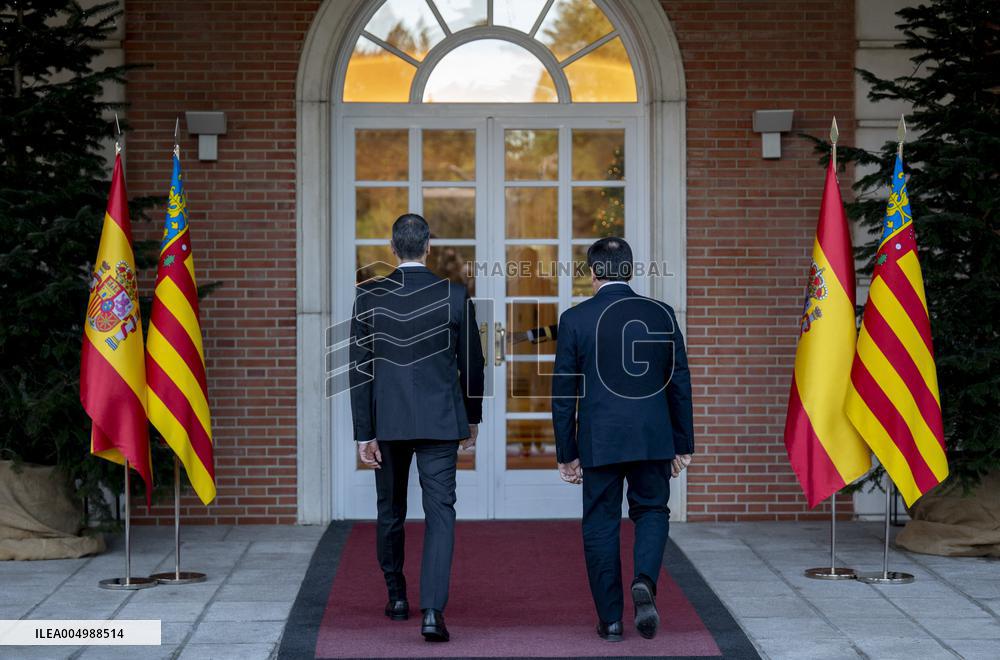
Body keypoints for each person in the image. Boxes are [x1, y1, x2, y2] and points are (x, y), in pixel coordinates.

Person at [349, 214, 485, 643]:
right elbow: (473, 365)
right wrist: (473, 418)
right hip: (440, 421)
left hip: (387, 423)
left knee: (390, 510)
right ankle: (432, 612)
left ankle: (397, 597)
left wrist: (362, 432)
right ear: (428, 246)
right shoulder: (455, 294)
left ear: (393, 249)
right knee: (441, 513)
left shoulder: (368, 297)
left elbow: (359, 370)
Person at [551, 236, 694, 642]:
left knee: (600, 523)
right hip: (653, 437)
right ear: (630, 271)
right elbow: (679, 383)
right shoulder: (663, 314)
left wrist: (567, 452)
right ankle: (644, 581)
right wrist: (683, 442)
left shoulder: (575, 320)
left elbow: (563, 394)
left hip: (602, 440)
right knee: (651, 511)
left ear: (592, 273)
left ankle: (611, 620)